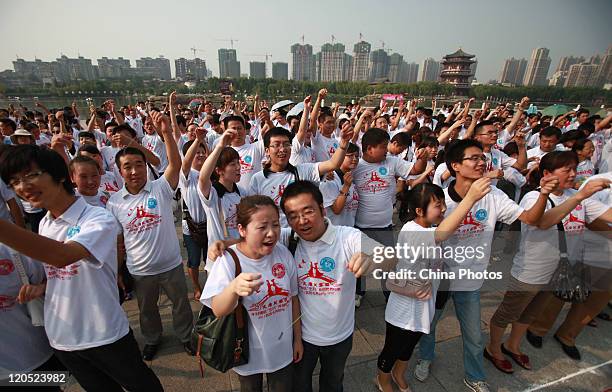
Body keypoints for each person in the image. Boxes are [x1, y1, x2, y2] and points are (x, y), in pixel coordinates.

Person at [0, 145, 163, 392]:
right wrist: (42, 287)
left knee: (142, 385)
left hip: (104, 333)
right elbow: (59, 273)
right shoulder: (45, 223)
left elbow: (62, 256)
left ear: (60, 174)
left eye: (31, 175)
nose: (23, 187)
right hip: (62, 339)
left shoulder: (98, 218)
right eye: (14, 182)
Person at [414, 139, 559, 392]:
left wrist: (544, 194)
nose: (482, 162)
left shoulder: (495, 196)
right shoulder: (439, 200)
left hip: (471, 278)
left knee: (473, 334)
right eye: (474, 158)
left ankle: (474, 375)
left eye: (483, 158)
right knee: (428, 325)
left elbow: (531, 219)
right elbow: (432, 237)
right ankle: (425, 357)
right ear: (456, 166)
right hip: (438, 278)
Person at [377, 179, 491, 392]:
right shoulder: (413, 231)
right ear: (419, 210)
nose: (443, 209)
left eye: (443, 204)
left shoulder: (430, 228)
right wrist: (470, 198)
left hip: (424, 304)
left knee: (409, 347)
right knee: (393, 348)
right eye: (438, 205)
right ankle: (382, 380)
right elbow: (441, 235)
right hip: (403, 307)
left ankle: (399, 373)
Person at [106, 111, 194, 361]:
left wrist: (166, 133)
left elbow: (175, 165)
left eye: (138, 165)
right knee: (147, 310)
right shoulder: (114, 203)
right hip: (139, 270)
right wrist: (118, 271)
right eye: (127, 167)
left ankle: (187, 337)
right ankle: (153, 339)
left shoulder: (160, 188)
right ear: (120, 172)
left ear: (145, 166)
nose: (134, 171)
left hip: (171, 265)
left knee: (181, 305)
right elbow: (118, 242)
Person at [279, 181, 378, 392]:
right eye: (293, 216)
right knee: (300, 385)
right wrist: (224, 245)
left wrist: (371, 258)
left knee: (333, 384)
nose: (302, 221)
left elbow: (386, 255)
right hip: (302, 337)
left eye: (308, 211)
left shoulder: (346, 236)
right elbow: (254, 239)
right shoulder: (288, 239)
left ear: (322, 209)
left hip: (339, 336)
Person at [201, 196, 302, 392]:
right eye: (262, 227)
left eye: (275, 225)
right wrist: (233, 288)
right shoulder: (228, 260)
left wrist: (297, 339)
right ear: (242, 230)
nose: (271, 233)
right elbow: (218, 309)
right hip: (246, 352)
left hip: (282, 350)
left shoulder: (283, 253)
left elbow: (293, 298)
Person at [249, 125, 352, 227]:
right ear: (267, 151)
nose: (282, 149)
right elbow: (253, 213)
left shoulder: (302, 171)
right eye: (276, 145)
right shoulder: (258, 179)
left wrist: (343, 145)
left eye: (286, 144)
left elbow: (333, 164)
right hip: (273, 237)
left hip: (299, 235)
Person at [180, 130, 209, 300]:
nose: (199, 154)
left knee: (210, 260)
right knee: (193, 261)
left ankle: (210, 284)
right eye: (195, 152)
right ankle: (197, 287)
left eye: (202, 151)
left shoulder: (211, 172)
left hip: (209, 226)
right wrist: (197, 140)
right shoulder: (186, 176)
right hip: (190, 228)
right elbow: (184, 164)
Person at [320, 143, 360, 227]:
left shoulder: (351, 175)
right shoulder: (329, 179)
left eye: (357, 156)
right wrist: (346, 186)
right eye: (350, 156)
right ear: (340, 157)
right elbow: (337, 209)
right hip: (335, 232)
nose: (355, 159)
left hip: (350, 230)